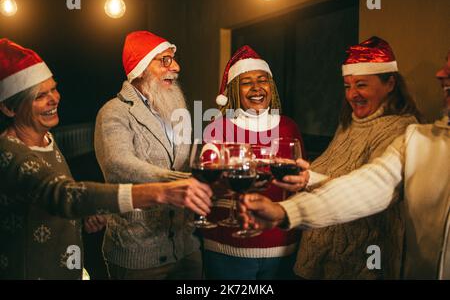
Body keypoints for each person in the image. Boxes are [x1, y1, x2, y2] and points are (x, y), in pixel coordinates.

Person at [0, 38, 212, 280]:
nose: (55, 99)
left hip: (183, 245)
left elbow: (45, 201)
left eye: (54, 89)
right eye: (40, 96)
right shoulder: (9, 153)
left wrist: (86, 213)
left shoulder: (46, 139)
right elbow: (76, 187)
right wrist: (165, 190)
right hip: (135, 254)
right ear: (9, 108)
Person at [240, 50, 450, 280]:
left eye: (361, 84)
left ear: (390, 83)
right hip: (316, 259)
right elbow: (368, 185)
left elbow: (375, 199)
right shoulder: (363, 126)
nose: (441, 74)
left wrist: (292, 201)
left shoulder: (400, 129)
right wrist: (292, 200)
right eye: (347, 86)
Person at [94, 31, 201, 280]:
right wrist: (179, 181)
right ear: (141, 68)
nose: (176, 66)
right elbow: (118, 165)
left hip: (186, 245)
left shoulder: (178, 108)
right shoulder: (114, 111)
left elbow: (187, 159)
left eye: (173, 59)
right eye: (164, 60)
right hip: (139, 252)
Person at [201, 45, 306, 280]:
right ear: (235, 91)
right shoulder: (219, 127)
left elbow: (301, 182)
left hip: (282, 245)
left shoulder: (289, 126)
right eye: (247, 82)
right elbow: (205, 185)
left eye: (262, 80)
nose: (257, 88)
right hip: (228, 246)